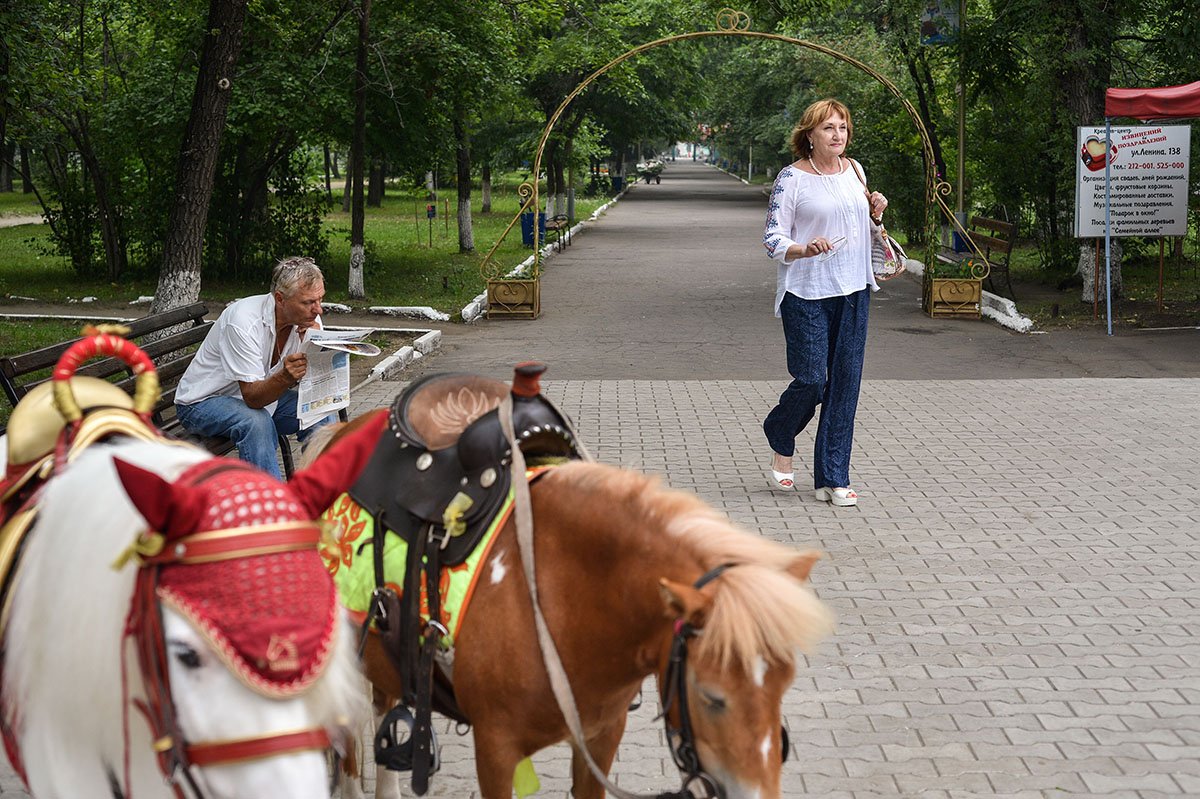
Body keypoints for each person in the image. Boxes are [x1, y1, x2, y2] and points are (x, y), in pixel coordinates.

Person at [761, 98, 888, 507]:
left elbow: (864, 227)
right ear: (810, 135)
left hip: (853, 290)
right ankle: (781, 433)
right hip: (806, 293)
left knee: (845, 386)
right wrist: (802, 248)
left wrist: (877, 213)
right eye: (829, 128)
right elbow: (772, 238)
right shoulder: (791, 178)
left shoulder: (855, 171)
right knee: (813, 379)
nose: (838, 135)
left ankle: (833, 477)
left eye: (843, 128)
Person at [174, 256, 336, 480]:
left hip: (262, 400)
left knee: (320, 411)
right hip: (202, 403)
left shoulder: (308, 321)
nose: (318, 310)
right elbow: (252, 398)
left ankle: (325, 496)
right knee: (256, 424)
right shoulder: (243, 321)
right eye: (309, 302)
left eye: (320, 300)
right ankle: (272, 510)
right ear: (280, 299)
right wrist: (285, 378)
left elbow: (313, 379)